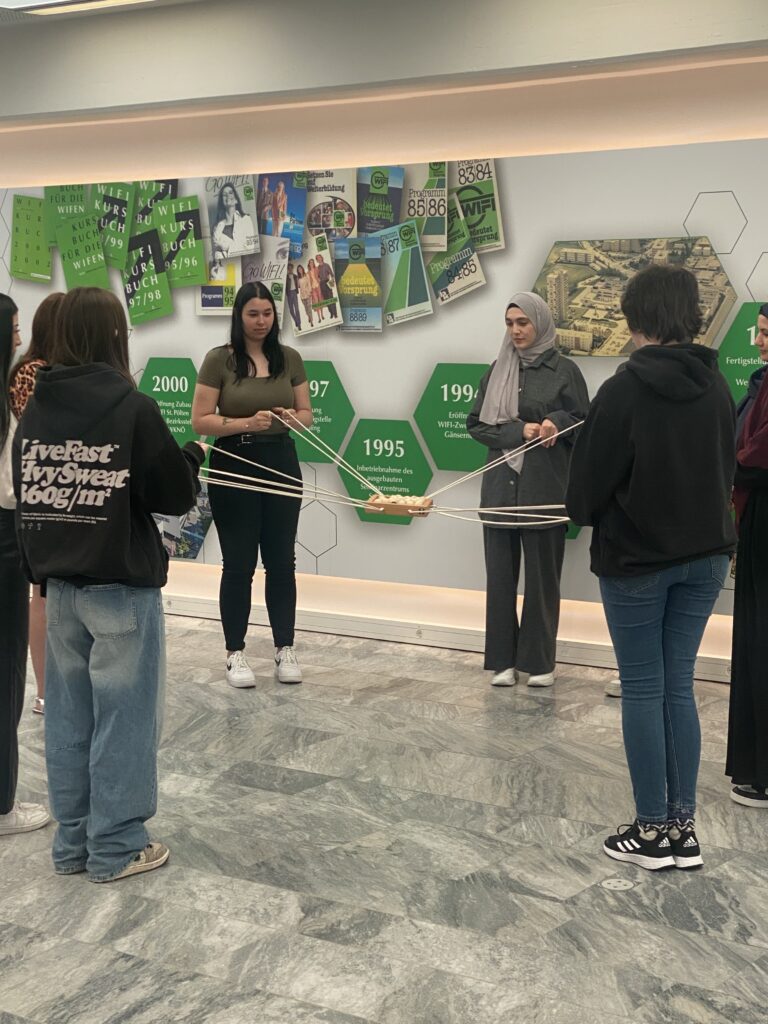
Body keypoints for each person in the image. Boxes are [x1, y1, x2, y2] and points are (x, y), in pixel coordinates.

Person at [13, 286, 204, 882]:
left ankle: (73, 843)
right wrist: (192, 457)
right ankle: (117, 846)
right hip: (120, 588)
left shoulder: (35, 408)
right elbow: (174, 494)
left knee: (69, 719)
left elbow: (30, 494)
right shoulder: (133, 407)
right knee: (124, 719)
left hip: (59, 589)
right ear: (113, 336)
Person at [566, 264, 736, 870]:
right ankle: (682, 830)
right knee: (677, 685)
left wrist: (587, 510)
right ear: (691, 313)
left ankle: (650, 830)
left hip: (638, 560)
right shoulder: (718, 386)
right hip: (707, 557)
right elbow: (726, 469)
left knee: (643, 687)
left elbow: (585, 491)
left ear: (634, 316)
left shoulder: (622, 390)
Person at [191, 282, 312, 687]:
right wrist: (247, 422)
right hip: (234, 462)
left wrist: (289, 418)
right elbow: (200, 420)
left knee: (282, 561)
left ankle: (285, 648)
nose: (262, 322)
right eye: (253, 314)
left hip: (281, 460)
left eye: (267, 313)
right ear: (239, 316)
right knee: (238, 563)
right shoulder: (219, 359)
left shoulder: (289, 357)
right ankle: (235, 653)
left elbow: (307, 414)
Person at [467, 292, 589, 689]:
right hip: (500, 492)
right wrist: (519, 431)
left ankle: (539, 662)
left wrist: (556, 422)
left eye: (523, 322)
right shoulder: (497, 369)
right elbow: (477, 425)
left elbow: (584, 422)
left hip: (544, 489)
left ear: (541, 323)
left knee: (541, 583)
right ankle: (502, 661)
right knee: (500, 582)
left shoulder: (565, 370)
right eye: (510, 324)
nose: (516, 331)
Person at [0, 294, 50, 838]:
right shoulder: (8, 398)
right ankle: (2, 806)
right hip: (4, 537)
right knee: (6, 669)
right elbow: (14, 487)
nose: (19, 337)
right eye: (13, 328)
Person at [8, 291, 65, 716]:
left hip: (58, 494)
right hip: (41, 496)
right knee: (42, 594)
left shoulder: (56, 371)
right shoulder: (33, 372)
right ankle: (45, 690)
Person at [726, 303, 768, 808]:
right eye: (759, 333)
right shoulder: (759, 384)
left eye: (766, 334)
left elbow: (754, 459)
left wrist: (729, 465)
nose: (758, 342)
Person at [212, 182, 256, 259]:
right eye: (224, 195)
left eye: (230, 193)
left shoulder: (246, 220)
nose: (228, 196)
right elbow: (217, 254)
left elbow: (250, 248)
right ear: (222, 201)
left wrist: (226, 246)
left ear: (236, 200)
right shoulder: (217, 227)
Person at [315, 253, 338, 319]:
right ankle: (331, 313)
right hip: (321, 284)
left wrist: (332, 283)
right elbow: (317, 277)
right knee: (326, 300)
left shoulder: (326, 265)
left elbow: (332, 274)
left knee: (331, 298)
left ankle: (335, 314)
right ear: (317, 260)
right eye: (317, 258)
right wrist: (318, 279)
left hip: (327, 282)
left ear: (322, 258)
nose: (319, 259)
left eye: (320, 257)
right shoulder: (317, 268)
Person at [285, 262, 301, 331]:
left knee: (297, 309)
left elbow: (298, 285)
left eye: (291, 268)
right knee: (291, 311)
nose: (290, 269)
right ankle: (296, 321)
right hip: (289, 294)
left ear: (292, 268)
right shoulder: (286, 277)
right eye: (288, 268)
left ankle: (299, 325)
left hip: (294, 293)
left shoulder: (295, 276)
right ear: (287, 269)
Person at [296, 265, 313, 329]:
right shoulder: (298, 278)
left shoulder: (306, 275)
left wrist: (310, 291)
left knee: (309, 308)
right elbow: (298, 286)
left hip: (308, 293)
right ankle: (309, 317)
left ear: (302, 269)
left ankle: (311, 321)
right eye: (298, 269)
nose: (300, 270)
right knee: (306, 309)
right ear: (298, 271)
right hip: (302, 295)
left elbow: (309, 284)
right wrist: (297, 281)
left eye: (300, 268)